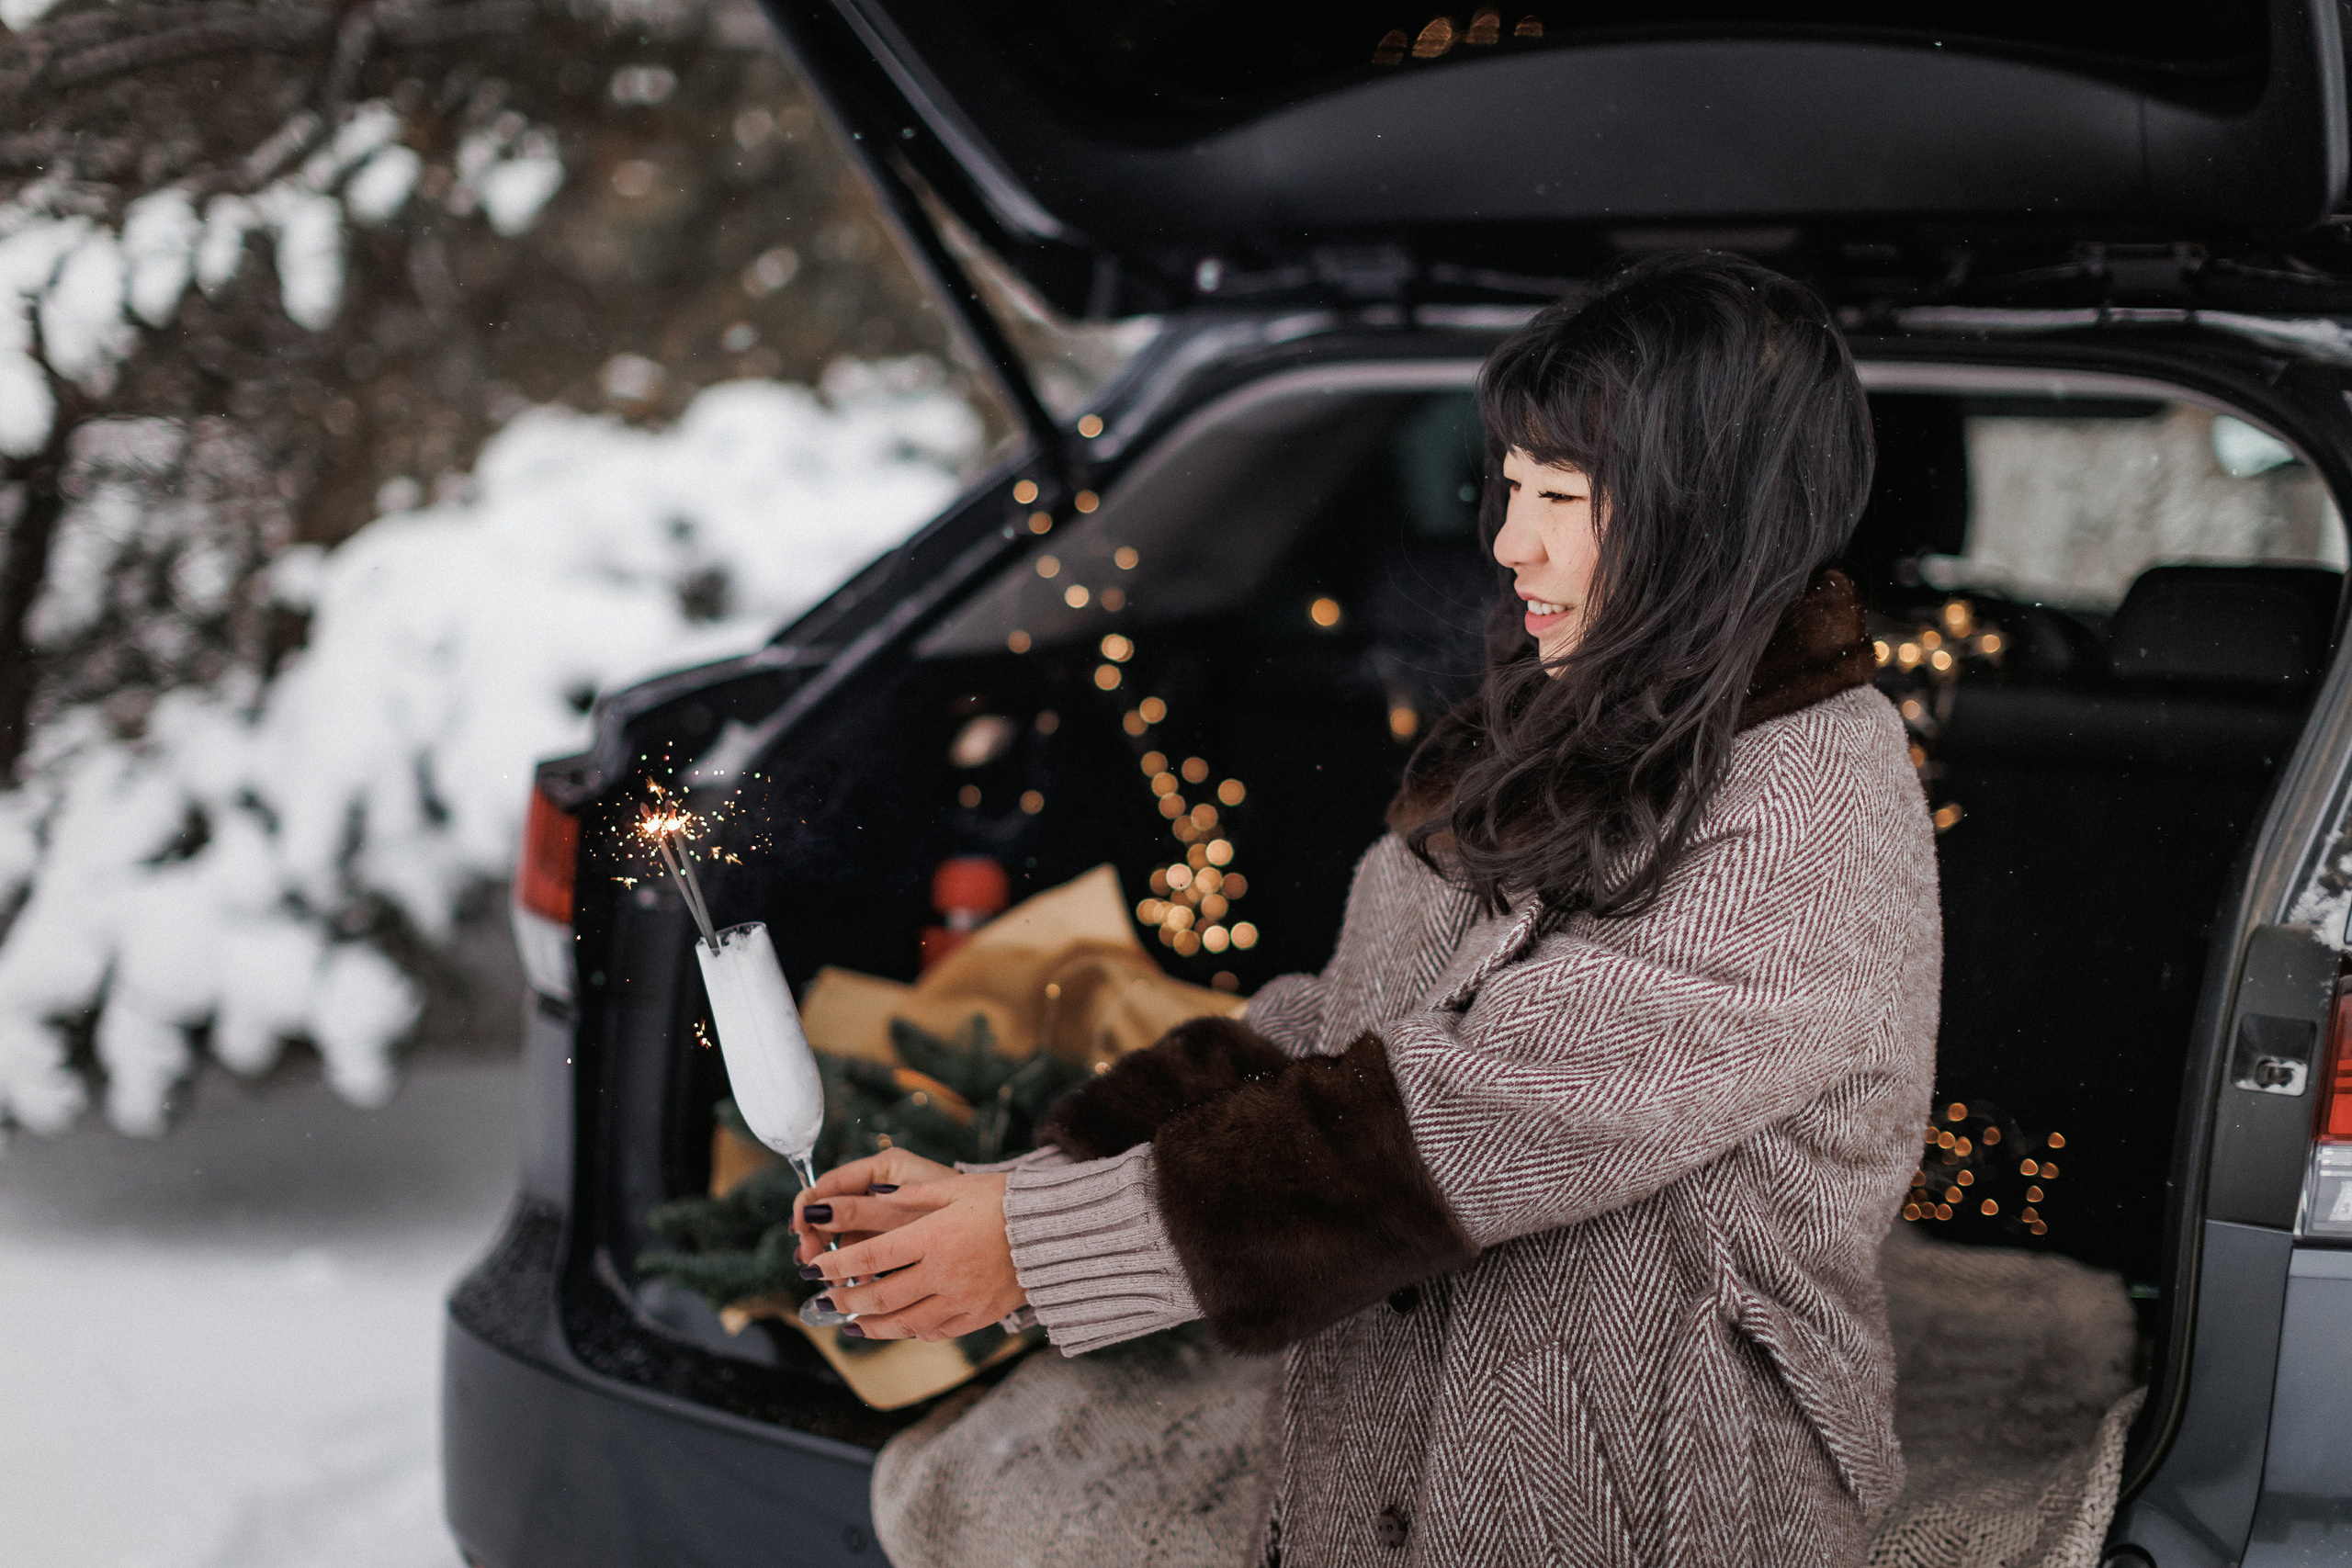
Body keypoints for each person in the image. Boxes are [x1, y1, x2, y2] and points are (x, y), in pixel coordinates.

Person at [792, 251, 1940, 1565]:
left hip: (1654, 1496)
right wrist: (1020, 1194)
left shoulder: (1806, 808)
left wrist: (1041, 1249)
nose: (1511, 542)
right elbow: (1346, 1026)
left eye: (1562, 496)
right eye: (1509, 487)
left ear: (1707, 516)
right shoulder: (1566, 717)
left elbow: (1480, 1110)